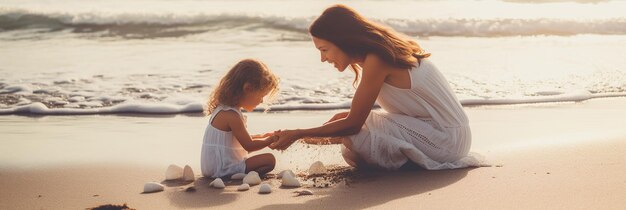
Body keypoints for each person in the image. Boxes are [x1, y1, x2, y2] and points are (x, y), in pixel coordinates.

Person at [269, 5, 483, 170]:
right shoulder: (372, 56)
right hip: (443, 132)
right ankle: (410, 161)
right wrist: (294, 135)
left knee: (354, 133)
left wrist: (298, 134)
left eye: (324, 49)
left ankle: (412, 163)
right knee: (341, 121)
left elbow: (353, 125)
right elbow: (349, 120)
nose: (323, 59)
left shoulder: (378, 59)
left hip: (447, 140)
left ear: (343, 41)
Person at [201, 59, 279, 178]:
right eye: (261, 95)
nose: (262, 101)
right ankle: (240, 175)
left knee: (264, 161)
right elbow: (249, 146)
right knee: (270, 160)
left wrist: (262, 137)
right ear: (248, 88)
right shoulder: (232, 116)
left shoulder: (223, 110)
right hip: (222, 169)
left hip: (212, 168)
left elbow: (235, 140)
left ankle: (243, 175)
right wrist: (270, 140)